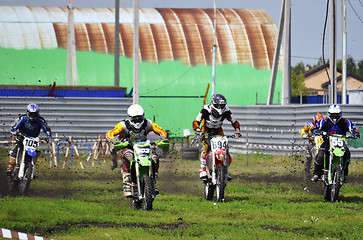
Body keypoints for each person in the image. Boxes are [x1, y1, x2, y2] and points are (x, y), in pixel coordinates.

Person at [106, 104, 168, 197]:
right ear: (130, 118)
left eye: (139, 118)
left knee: (154, 156)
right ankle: (127, 183)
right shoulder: (123, 125)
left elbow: (161, 130)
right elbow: (110, 133)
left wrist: (163, 138)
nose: (137, 121)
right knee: (127, 156)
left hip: (144, 146)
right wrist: (115, 141)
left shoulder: (148, 123)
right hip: (129, 146)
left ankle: (153, 180)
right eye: (135, 119)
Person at [192, 94, 241, 179]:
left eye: (221, 105)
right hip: (206, 131)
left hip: (218, 130)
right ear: (213, 104)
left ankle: (224, 171)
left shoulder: (226, 111)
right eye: (218, 105)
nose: (220, 107)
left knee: (225, 148)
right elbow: (196, 121)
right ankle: (203, 169)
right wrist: (197, 130)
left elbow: (234, 121)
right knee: (207, 146)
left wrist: (237, 130)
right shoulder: (205, 110)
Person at [311, 104, 360, 182]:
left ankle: (344, 173)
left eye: (337, 115)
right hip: (327, 142)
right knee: (320, 155)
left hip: (340, 143)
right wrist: (316, 131)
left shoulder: (345, 122)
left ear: (340, 114)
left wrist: (355, 133)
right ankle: (316, 173)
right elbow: (315, 127)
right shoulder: (324, 121)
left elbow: (352, 128)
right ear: (329, 114)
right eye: (333, 115)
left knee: (347, 153)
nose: (335, 117)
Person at [7, 103, 52, 174]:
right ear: (28, 113)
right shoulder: (23, 118)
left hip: (33, 139)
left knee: (36, 152)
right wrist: (14, 131)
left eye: (35, 114)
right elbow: (15, 126)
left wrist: (48, 137)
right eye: (31, 114)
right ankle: (11, 166)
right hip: (22, 136)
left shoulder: (40, 120)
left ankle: (31, 170)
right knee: (17, 148)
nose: (33, 116)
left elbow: (46, 129)